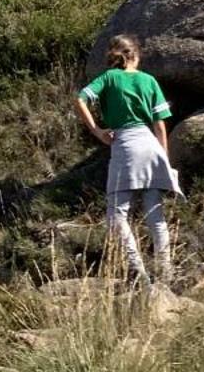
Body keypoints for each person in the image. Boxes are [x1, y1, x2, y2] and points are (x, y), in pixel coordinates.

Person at [76, 35, 180, 288]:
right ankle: (165, 272)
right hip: (151, 145)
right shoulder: (149, 80)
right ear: (136, 55)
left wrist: (97, 131)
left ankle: (139, 273)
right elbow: (160, 125)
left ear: (115, 55)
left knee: (117, 214)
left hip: (125, 144)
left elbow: (80, 98)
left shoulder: (109, 78)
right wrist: (164, 160)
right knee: (155, 213)